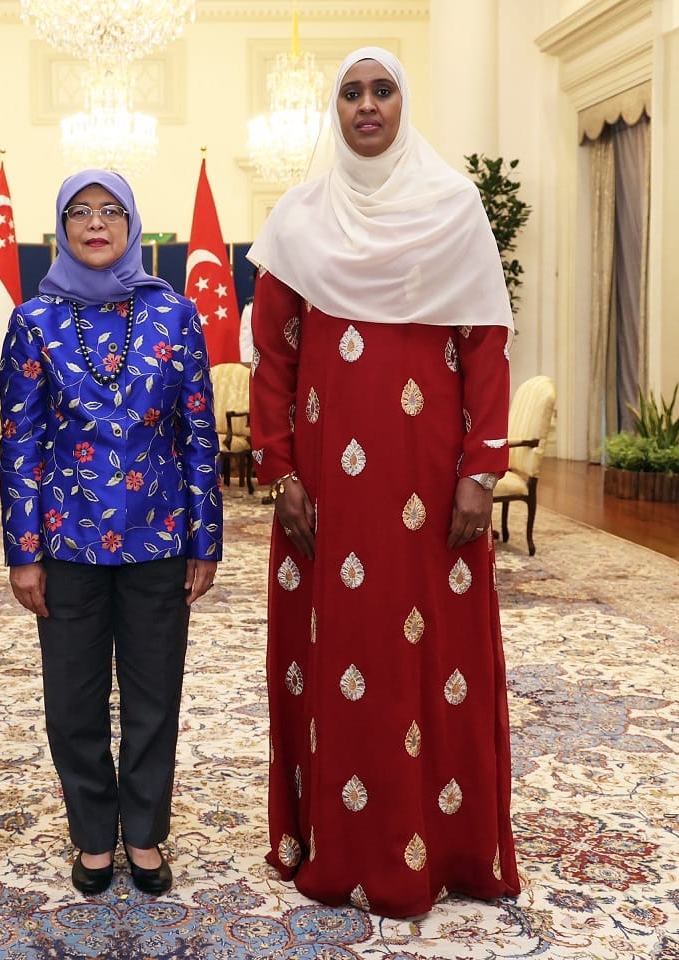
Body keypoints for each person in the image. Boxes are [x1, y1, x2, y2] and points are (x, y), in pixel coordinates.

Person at [246, 47, 521, 918]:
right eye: (352, 93)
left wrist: (482, 469)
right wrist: (280, 467)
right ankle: (335, 844)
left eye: (383, 90)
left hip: (430, 481)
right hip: (329, 484)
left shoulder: (453, 207)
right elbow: (274, 360)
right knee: (342, 647)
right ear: (335, 110)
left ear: (405, 103)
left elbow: (484, 349)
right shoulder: (297, 219)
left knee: (430, 654)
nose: (367, 106)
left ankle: (442, 848)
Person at [0, 170, 222, 897]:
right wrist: (22, 552)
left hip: (158, 539)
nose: (96, 224)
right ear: (59, 229)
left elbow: (197, 433)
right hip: (68, 546)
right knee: (73, 700)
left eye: (111, 211)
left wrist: (205, 538)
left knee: (155, 696)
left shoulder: (175, 315)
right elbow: (21, 441)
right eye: (79, 212)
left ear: (133, 225)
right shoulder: (33, 321)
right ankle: (95, 837)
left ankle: (147, 835)